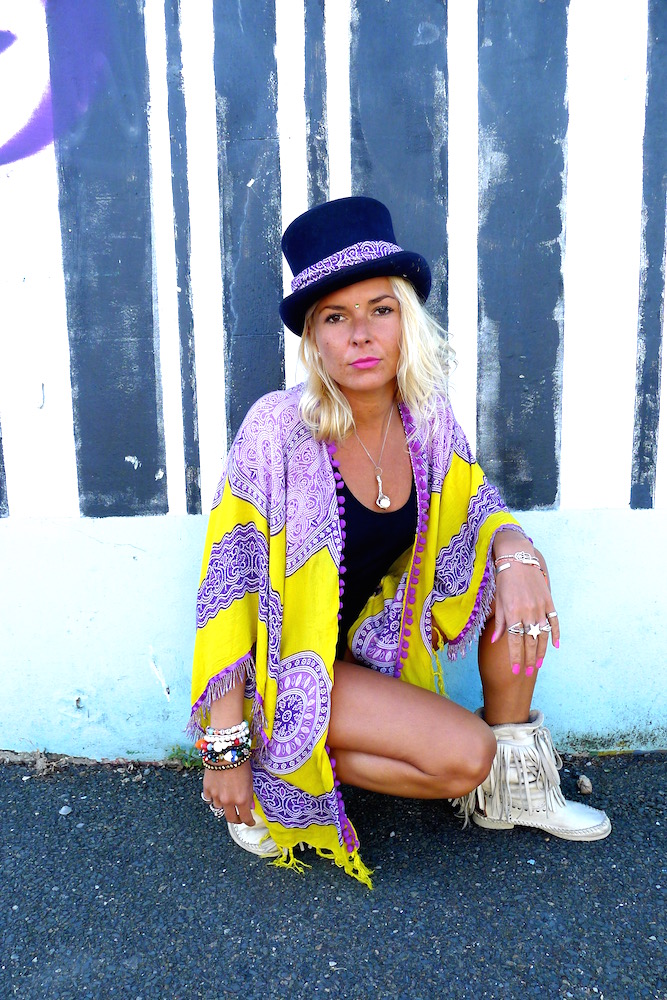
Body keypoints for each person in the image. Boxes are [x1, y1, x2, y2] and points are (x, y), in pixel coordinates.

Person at [188, 197, 610, 886]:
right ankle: (268, 767)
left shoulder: (426, 415)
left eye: (379, 309)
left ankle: (515, 791)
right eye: (335, 317)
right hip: (286, 668)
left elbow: (475, 503)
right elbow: (226, 591)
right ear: (314, 339)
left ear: (405, 319)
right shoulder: (275, 429)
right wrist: (223, 750)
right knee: (463, 757)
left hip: (364, 649)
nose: (360, 334)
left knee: (508, 562)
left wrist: (516, 553)